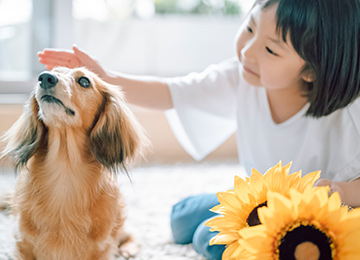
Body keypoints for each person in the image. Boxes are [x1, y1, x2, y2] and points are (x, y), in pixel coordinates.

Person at [37, 0, 360, 259]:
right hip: (261, 201)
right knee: (181, 218)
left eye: (271, 50)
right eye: (249, 28)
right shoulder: (241, 77)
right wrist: (106, 77)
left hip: (322, 220)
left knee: (208, 237)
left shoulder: (351, 113)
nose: (248, 51)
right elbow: (172, 92)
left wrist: (343, 192)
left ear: (312, 71)